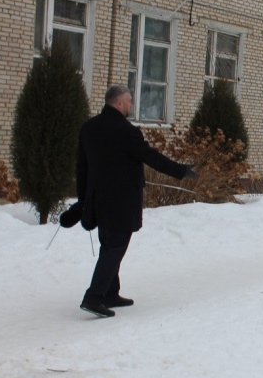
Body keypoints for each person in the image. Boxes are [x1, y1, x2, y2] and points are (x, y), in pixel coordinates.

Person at [61, 85, 198, 318]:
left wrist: (84, 199)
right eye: (129, 101)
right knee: (114, 248)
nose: (131, 105)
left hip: (98, 201)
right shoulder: (126, 131)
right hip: (121, 203)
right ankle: (94, 298)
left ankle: (110, 293)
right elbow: (151, 157)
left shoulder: (89, 128)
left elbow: (81, 167)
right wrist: (181, 170)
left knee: (109, 245)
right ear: (119, 103)